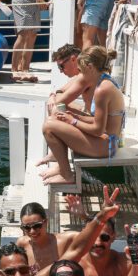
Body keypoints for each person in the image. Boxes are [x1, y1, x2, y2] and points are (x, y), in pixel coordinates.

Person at [41, 46, 124, 185]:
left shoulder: (102, 90)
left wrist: (73, 121)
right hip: (110, 142)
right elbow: (97, 120)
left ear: (90, 67)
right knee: (56, 117)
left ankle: (66, 175)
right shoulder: (105, 81)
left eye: (82, 71)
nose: (80, 76)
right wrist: (74, 116)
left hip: (105, 146)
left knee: (48, 127)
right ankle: (61, 166)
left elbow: (98, 130)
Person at [16, 202, 76, 273]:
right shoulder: (22, 244)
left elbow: (89, 237)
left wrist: (84, 216)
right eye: (26, 227)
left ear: (46, 222)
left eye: (37, 226)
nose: (32, 231)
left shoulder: (63, 240)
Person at [44, 44, 93, 116]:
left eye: (61, 66)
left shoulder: (85, 76)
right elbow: (61, 90)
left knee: (55, 109)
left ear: (73, 59)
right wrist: (52, 96)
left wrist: (54, 99)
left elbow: (60, 102)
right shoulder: (83, 73)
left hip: (93, 120)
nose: (61, 71)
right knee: (57, 106)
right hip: (89, 113)